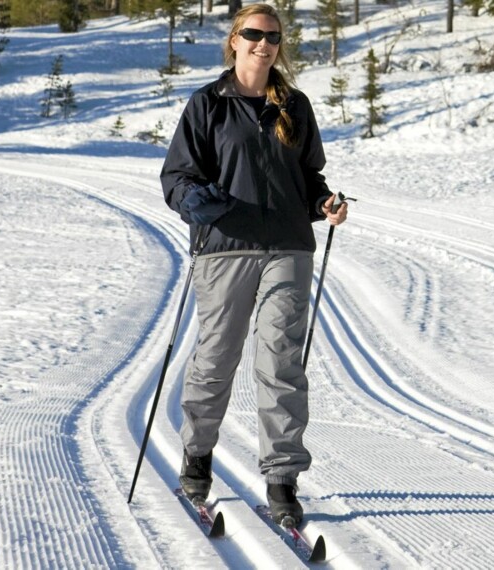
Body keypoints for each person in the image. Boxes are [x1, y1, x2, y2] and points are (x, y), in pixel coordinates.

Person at [160, 3, 348, 527]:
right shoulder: (207, 105)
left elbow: (310, 178)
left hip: (288, 247)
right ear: (234, 40)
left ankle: (282, 480)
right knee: (216, 357)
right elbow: (176, 179)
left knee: (281, 361)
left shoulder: (295, 105)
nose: (263, 43)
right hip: (225, 248)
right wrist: (198, 201)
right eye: (253, 34)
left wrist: (325, 203)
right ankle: (197, 459)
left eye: (272, 36)